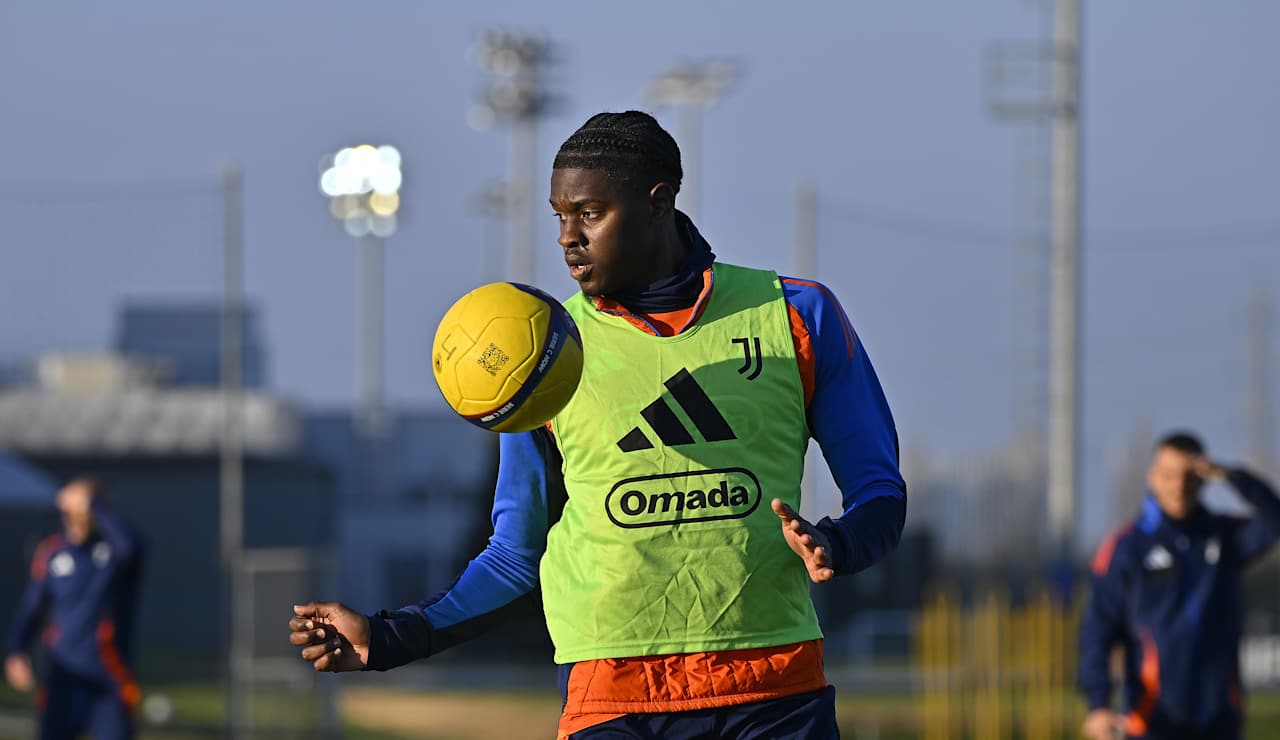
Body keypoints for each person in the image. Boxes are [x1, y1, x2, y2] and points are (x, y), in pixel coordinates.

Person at [290, 110, 907, 739]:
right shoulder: (544, 356)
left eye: (589, 213)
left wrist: (837, 541)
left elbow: (881, 494)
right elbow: (513, 557)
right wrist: (388, 636)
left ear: (657, 202)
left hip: (773, 690)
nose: (567, 237)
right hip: (613, 700)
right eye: (559, 216)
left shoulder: (797, 316)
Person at [1079, 431, 1280, 740]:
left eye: (1189, 476)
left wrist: (1232, 476)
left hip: (1219, 719)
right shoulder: (1128, 548)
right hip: (1152, 722)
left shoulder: (1224, 536)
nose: (1179, 486)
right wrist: (1097, 704)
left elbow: (1273, 520)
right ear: (1153, 477)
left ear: (1203, 478)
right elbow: (1097, 630)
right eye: (1169, 475)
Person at [5, 476, 145, 740]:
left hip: (108, 681)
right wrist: (16, 649)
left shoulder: (114, 551)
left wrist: (92, 501)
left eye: (83, 508)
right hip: (63, 679)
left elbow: (131, 548)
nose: (75, 515)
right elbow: (32, 608)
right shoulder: (53, 552)